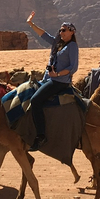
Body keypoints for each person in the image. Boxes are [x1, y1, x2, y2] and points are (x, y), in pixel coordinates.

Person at [25, 11, 79, 150]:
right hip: (49, 78)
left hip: (59, 81)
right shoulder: (57, 43)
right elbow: (43, 35)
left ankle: (41, 136)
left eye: (64, 30)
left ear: (72, 32)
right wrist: (31, 24)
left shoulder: (72, 46)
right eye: (60, 30)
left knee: (35, 101)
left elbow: (73, 67)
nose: (61, 32)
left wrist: (57, 74)